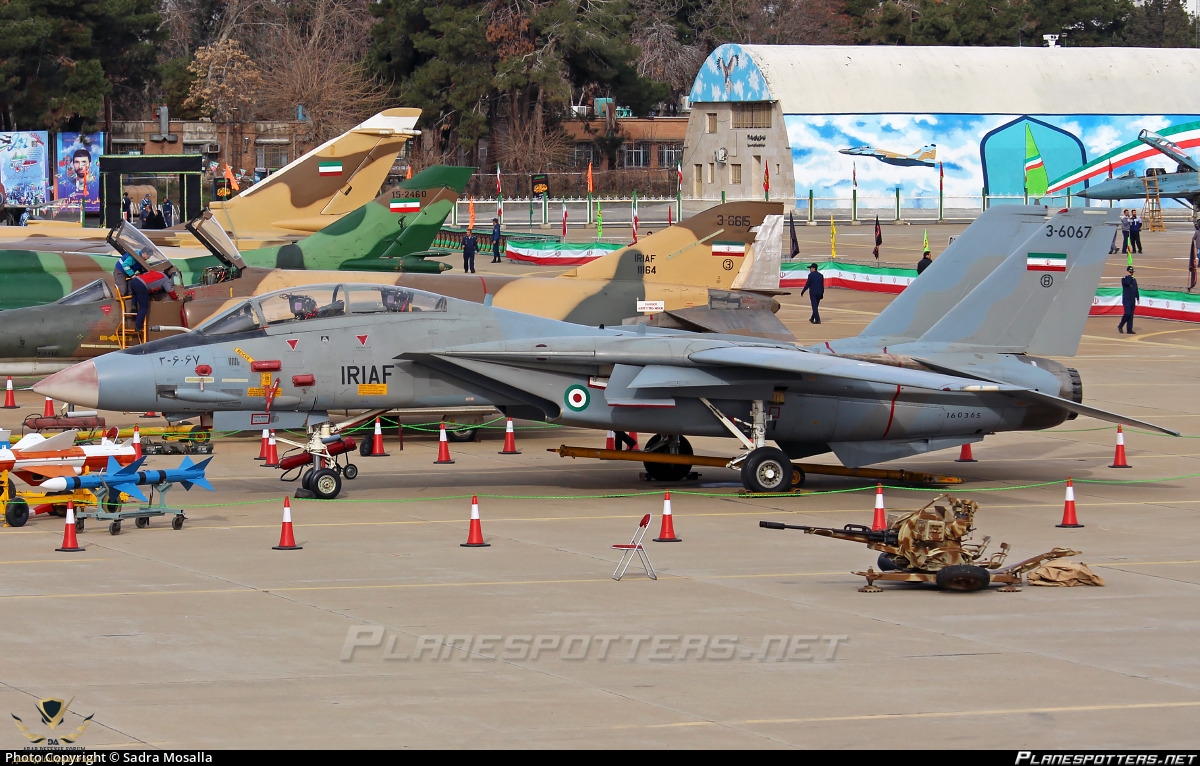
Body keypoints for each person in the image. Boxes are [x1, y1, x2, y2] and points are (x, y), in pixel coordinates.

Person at [129, 268, 180, 333]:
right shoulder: (166, 279)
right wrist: (176, 298)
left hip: (134, 281)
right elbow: (170, 290)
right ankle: (138, 327)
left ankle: (133, 305)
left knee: (135, 293)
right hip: (141, 285)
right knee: (144, 307)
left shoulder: (157, 272)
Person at [1118, 265, 1139, 335]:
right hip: (1126, 299)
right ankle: (1120, 325)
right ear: (1127, 272)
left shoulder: (1134, 280)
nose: (1132, 273)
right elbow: (1127, 283)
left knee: (1131, 315)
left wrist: (1137, 297)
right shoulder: (1124, 279)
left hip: (1132, 299)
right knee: (1127, 313)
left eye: (1132, 272)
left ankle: (1129, 329)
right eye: (1130, 272)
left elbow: (1136, 289)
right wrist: (1129, 276)